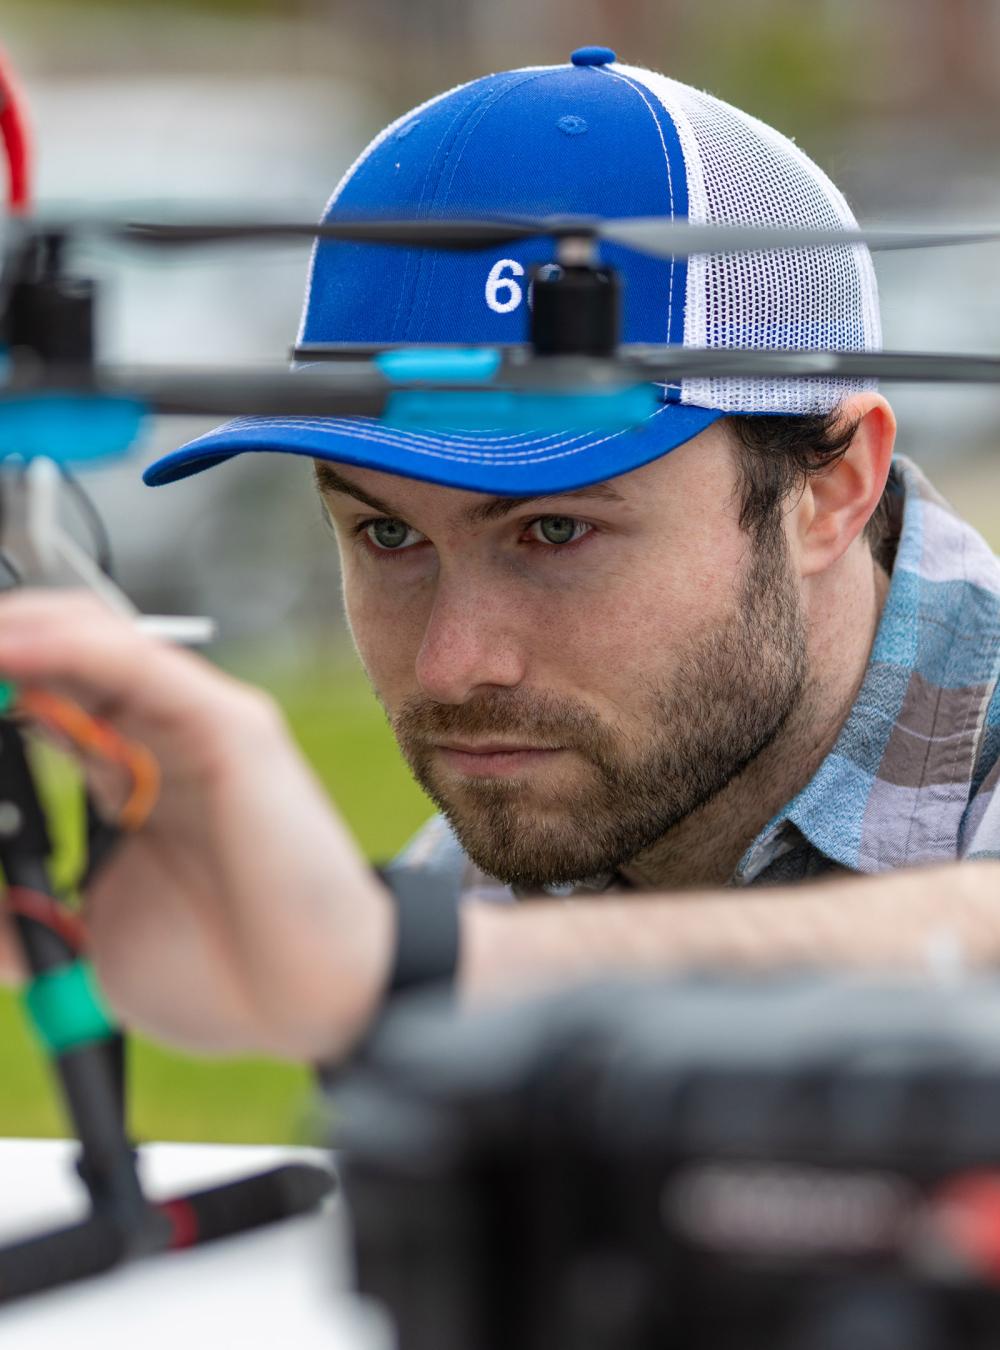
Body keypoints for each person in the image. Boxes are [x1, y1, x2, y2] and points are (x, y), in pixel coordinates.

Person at [0, 51, 998, 1064]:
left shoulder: (442, 935)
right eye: (388, 535)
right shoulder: (501, 858)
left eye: (554, 531)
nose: (452, 665)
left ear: (828, 490)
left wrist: (406, 968)